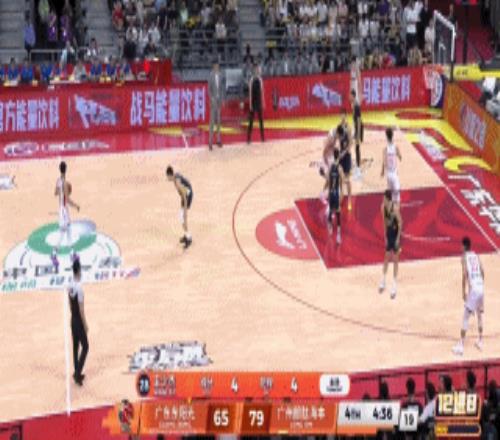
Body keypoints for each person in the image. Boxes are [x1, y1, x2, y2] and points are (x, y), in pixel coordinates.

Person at [453, 236, 485, 355]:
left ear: (464, 246)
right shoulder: (476, 255)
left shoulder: (463, 257)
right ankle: (480, 341)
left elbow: (464, 275)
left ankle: (461, 346)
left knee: (465, 317)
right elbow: (482, 271)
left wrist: (464, 292)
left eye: (461, 245)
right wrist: (480, 284)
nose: (460, 247)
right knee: (479, 314)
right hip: (481, 287)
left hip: (474, 290)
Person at [52, 161, 80, 267]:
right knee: (63, 233)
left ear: (60, 169)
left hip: (62, 209)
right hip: (64, 210)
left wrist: (61, 191)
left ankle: (72, 253)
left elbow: (55, 193)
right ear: (66, 169)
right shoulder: (64, 183)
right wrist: (76, 206)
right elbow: (67, 200)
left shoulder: (58, 181)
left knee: (68, 231)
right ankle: (53, 254)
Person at [68, 259, 88, 386]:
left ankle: (76, 371)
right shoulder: (79, 288)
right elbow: (81, 309)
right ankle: (77, 373)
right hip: (79, 321)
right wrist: (85, 324)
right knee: (85, 346)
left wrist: (73, 315)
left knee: (76, 347)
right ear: (79, 270)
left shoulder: (70, 284)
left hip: (73, 319)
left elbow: (70, 302)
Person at [379, 189, 402, 299]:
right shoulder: (383, 208)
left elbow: (400, 223)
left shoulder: (395, 208)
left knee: (395, 259)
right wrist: (385, 236)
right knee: (386, 257)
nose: (383, 200)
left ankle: (394, 285)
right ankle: (383, 280)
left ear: (388, 199)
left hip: (395, 233)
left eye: (384, 198)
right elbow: (384, 222)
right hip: (389, 233)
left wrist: (398, 238)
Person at [166, 166, 193, 249]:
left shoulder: (177, 182)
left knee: (182, 217)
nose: (167, 179)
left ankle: (188, 238)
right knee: (181, 217)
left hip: (187, 196)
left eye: (167, 177)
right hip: (186, 194)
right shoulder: (175, 176)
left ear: (170, 175)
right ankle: (186, 235)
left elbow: (184, 194)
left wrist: (185, 210)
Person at [326, 148, 344, 244]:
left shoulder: (330, 167)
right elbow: (343, 181)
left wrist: (328, 192)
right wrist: (342, 193)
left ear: (333, 156)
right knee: (338, 212)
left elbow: (328, 180)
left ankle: (330, 226)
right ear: (339, 156)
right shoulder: (340, 168)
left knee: (330, 209)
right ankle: (338, 235)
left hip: (331, 192)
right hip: (336, 192)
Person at [381, 127, 402, 205]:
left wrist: (382, 171)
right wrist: (397, 154)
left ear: (386, 136)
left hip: (388, 174)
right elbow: (400, 157)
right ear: (392, 135)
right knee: (397, 197)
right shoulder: (396, 147)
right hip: (394, 174)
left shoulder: (385, 149)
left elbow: (384, 162)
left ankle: (390, 209)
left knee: (390, 195)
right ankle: (396, 210)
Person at [336, 112, 352, 211]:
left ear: (346, 116)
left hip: (347, 156)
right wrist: (338, 152)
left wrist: (344, 152)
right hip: (341, 155)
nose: (342, 117)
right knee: (340, 178)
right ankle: (341, 196)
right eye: (341, 115)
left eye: (343, 115)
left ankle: (349, 199)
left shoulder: (348, 128)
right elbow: (338, 140)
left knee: (347, 178)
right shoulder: (339, 127)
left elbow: (350, 143)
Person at [247, 64, 265, 144]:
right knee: (251, 120)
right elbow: (250, 93)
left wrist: (263, 102)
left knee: (261, 120)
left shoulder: (260, 80)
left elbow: (262, 92)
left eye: (258, 69)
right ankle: (248, 138)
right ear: (253, 70)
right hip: (253, 102)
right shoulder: (251, 80)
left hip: (259, 101)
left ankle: (262, 137)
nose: (257, 71)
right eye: (256, 69)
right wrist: (250, 104)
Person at [208, 61, 224, 150]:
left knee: (218, 121)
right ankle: (210, 142)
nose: (217, 67)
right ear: (213, 66)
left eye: (218, 66)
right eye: (215, 66)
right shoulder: (211, 75)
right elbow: (209, 89)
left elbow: (221, 88)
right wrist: (211, 98)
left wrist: (222, 99)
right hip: (213, 101)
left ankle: (218, 140)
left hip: (219, 100)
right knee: (212, 121)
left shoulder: (221, 75)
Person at [350, 90, 363, 179]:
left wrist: (358, 134)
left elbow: (358, 121)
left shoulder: (357, 106)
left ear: (353, 96)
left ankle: (358, 171)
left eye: (350, 96)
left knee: (357, 149)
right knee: (355, 148)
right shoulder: (353, 105)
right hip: (356, 128)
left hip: (359, 128)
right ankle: (357, 168)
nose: (349, 97)